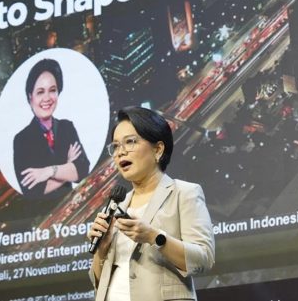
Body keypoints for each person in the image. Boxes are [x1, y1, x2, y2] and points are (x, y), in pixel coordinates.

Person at [86, 106, 215, 301]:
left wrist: (154, 237)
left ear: (158, 150)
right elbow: (98, 282)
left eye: (130, 142)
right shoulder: (119, 205)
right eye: (116, 146)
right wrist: (102, 250)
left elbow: (203, 259)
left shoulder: (184, 193)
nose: (120, 153)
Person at [13, 58, 90, 199]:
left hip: (71, 203)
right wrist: (67, 166)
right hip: (42, 211)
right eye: (40, 92)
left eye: (52, 90)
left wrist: (48, 171)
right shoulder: (21, 140)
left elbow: (83, 170)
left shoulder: (67, 127)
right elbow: (32, 191)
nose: (47, 98)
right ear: (30, 97)